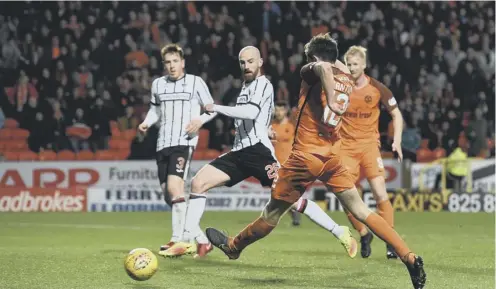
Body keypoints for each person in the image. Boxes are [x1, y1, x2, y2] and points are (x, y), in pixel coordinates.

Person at [205, 34, 426, 289]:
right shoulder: (346, 77)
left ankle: (234, 247)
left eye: (308, 57)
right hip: (333, 156)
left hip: (305, 158)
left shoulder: (311, 70)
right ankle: (409, 257)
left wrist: (329, 94)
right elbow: (331, 64)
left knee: (272, 213)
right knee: (362, 210)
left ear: (312, 57)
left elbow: (320, 66)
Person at [138, 44, 217, 257]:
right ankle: (201, 240)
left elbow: (211, 109)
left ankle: (178, 239)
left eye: (175, 61)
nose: (172, 66)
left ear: (182, 62)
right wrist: (146, 123)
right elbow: (155, 110)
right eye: (168, 62)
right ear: (164, 65)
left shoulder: (195, 82)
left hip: (184, 143)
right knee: (169, 195)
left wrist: (199, 120)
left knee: (175, 188)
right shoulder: (158, 84)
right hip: (162, 143)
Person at [338, 45, 404, 259]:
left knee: (380, 193)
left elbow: (397, 114)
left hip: (368, 147)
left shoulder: (377, 88)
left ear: (364, 65)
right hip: (346, 148)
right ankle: (364, 233)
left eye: (355, 64)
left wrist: (397, 140)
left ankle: (390, 243)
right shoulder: (340, 88)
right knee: (347, 197)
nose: (352, 67)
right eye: (348, 64)